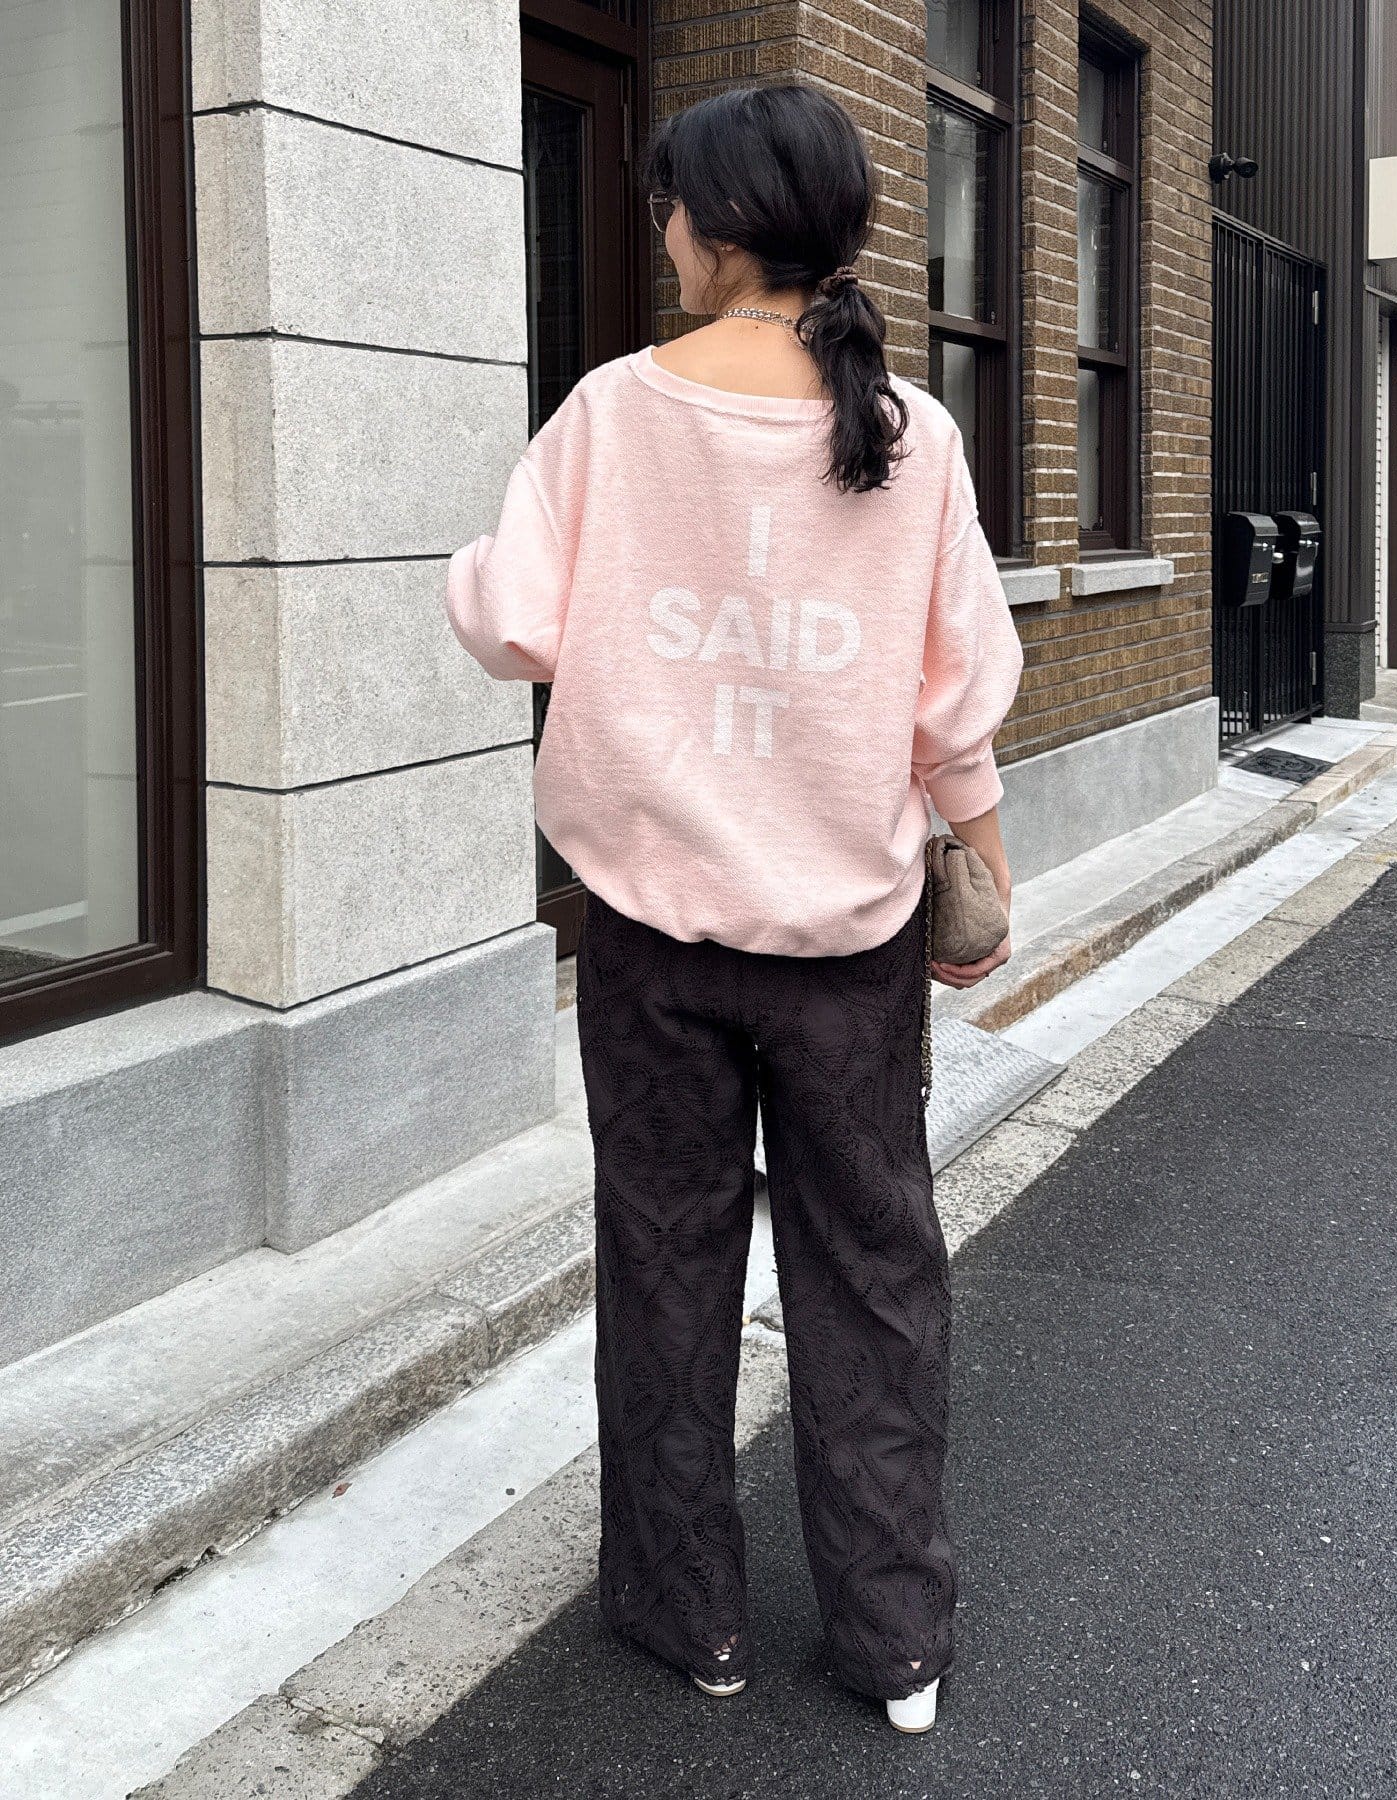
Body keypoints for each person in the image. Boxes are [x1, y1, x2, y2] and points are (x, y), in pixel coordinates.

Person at [445, 80, 1024, 1736]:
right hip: (848, 943)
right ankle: (894, 1641)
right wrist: (988, 880)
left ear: (712, 227)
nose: (661, 233)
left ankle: (686, 1613)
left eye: (667, 207)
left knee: (665, 1257)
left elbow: (510, 622)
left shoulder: (612, 416)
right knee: (872, 1270)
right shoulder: (913, 435)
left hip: (649, 936)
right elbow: (951, 704)